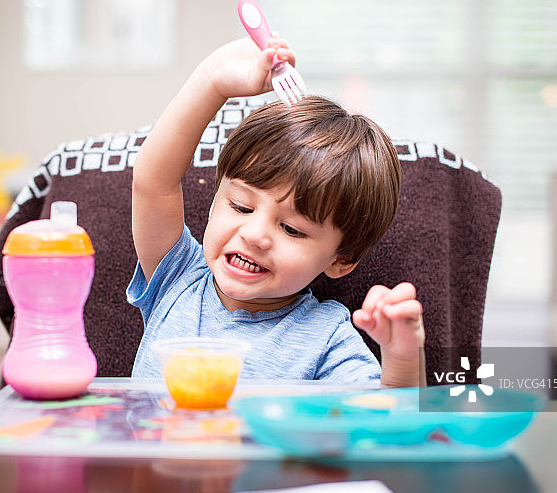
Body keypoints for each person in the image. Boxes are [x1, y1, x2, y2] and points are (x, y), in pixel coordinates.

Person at [127, 37, 425, 387]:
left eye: (292, 229)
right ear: (213, 201)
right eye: (241, 206)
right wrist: (213, 80)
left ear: (341, 258)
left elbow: (386, 417)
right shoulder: (178, 279)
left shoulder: (327, 337)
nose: (254, 234)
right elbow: (152, 181)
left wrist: (403, 357)